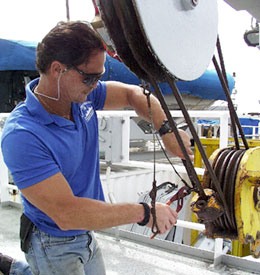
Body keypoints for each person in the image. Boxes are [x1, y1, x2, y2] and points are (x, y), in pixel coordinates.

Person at [0, 21, 193, 275]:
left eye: (100, 77)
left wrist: (166, 130)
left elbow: (131, 94)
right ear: (58, 69)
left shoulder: (79, 94)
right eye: (90, 77)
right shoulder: (22, 135)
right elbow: (67, 213)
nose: (95, 84)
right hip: (52, 241)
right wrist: (145, 213)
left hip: (85, 232)